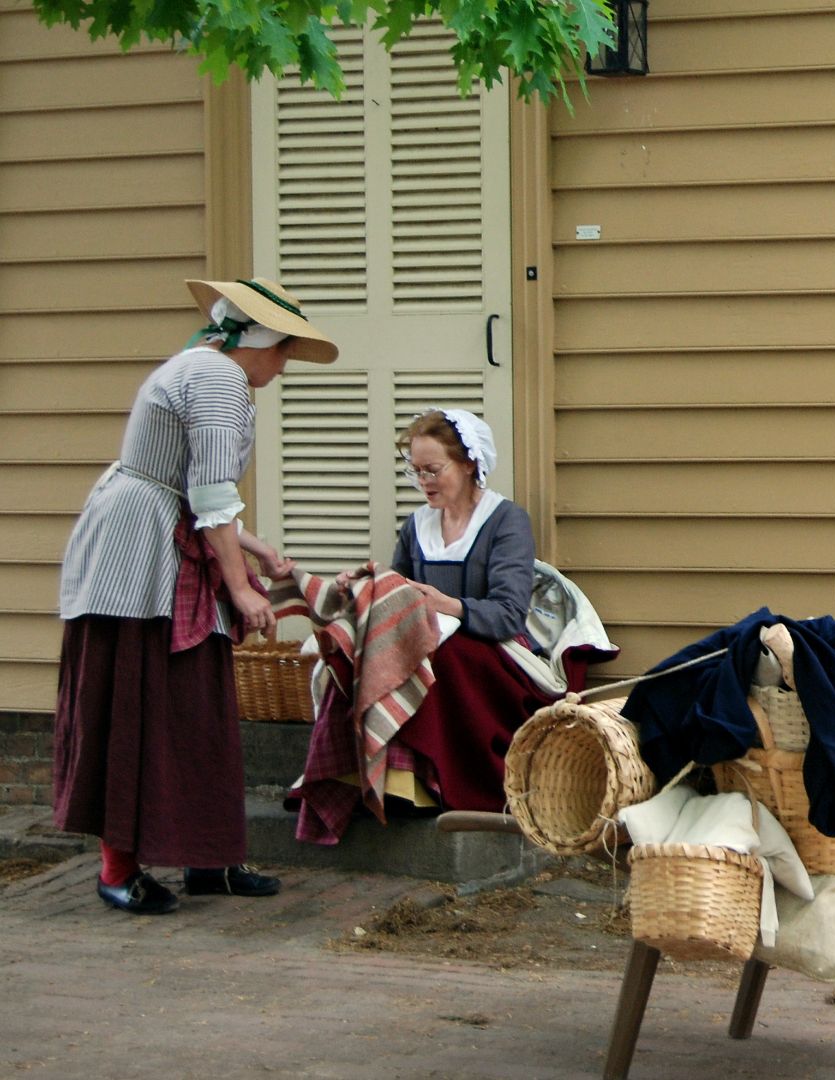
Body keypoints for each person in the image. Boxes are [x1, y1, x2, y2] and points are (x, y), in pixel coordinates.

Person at [53, 278, 338, 914]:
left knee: (196, 707)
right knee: (140, 705)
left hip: (167, 539)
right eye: (284, 352)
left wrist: (257, 549)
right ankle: (118, 867)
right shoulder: (217, 380)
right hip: (139, 562)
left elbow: (199, 493)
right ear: (261, 344)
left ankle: (210, 859)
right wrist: (240, 587)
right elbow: (208, 494)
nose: (284, 364)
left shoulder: (203, 369)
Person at [286, 408, 616, 844]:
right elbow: (398, 592)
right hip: (427, 644)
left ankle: (433, 779)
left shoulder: (505, 521)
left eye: (433, 469)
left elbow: (508, 614)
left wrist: (451, 606)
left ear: (468, 464)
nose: (424, 481)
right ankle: (368, 776)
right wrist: (367, 585)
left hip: (495, 653)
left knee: (437, 654)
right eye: (416, 471)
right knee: (371, 652)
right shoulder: (417, 524)